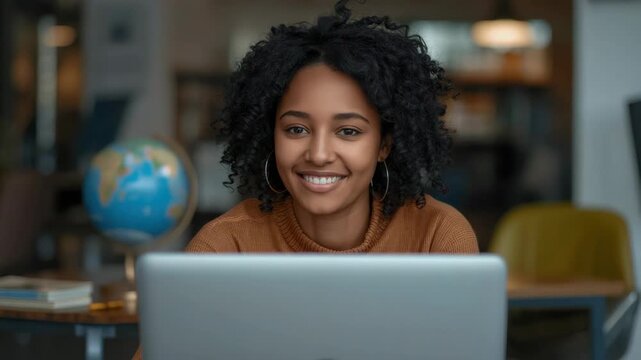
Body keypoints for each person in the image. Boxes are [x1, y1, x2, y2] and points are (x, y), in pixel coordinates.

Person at [132, 0, 477, 358]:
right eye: (297, 129)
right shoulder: (225, 245)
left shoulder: (438, 236)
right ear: (271, 136)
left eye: (348, 131)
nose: (319, 154)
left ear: (384, 145)